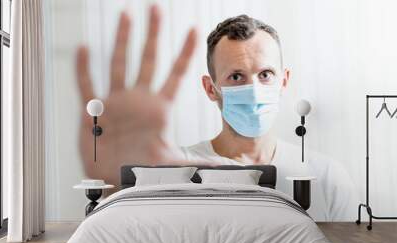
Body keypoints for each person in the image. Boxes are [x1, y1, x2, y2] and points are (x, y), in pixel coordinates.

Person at [76, 5, 356, 221]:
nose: (254, 90)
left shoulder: (328, 176)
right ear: (210, 89)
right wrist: (115, 187)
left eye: (266, 74)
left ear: (284, 80)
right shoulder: (176, 170)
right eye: (236, 77)